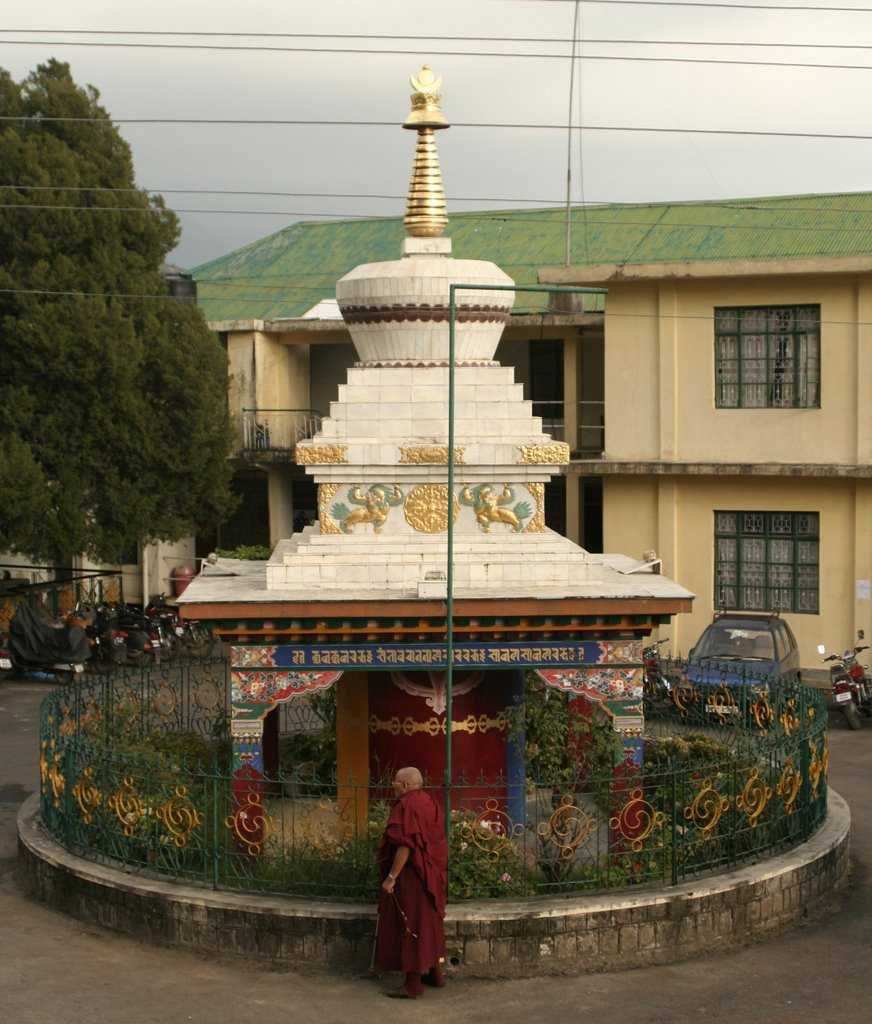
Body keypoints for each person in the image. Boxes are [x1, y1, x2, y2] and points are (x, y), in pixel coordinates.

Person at [376, 766, 448, 999]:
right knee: (429, 922)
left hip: (412, 876)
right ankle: (435, 974)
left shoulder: (406, 806)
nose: (393, 785)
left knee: (411, 924)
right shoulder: (429, 802)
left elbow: (405, 846)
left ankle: (412, 984)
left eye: (395, 782)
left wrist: (391, 877)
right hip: (430, 873)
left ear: (406, 785)